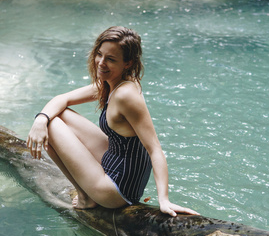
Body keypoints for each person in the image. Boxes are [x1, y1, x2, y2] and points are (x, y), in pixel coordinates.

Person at [26, 26, 199, 217]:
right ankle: (85, 193)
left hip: (117, 189)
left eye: (110, 59)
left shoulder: (126, 95)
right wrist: (40, 120)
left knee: (52, 125)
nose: (101, 63)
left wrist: (163, 200)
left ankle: (86, 197)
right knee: (55, 115)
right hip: (115, 161)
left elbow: (154, 149)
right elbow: (62, 99)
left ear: (127, 63)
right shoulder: (114, 83)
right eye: (99, 54)